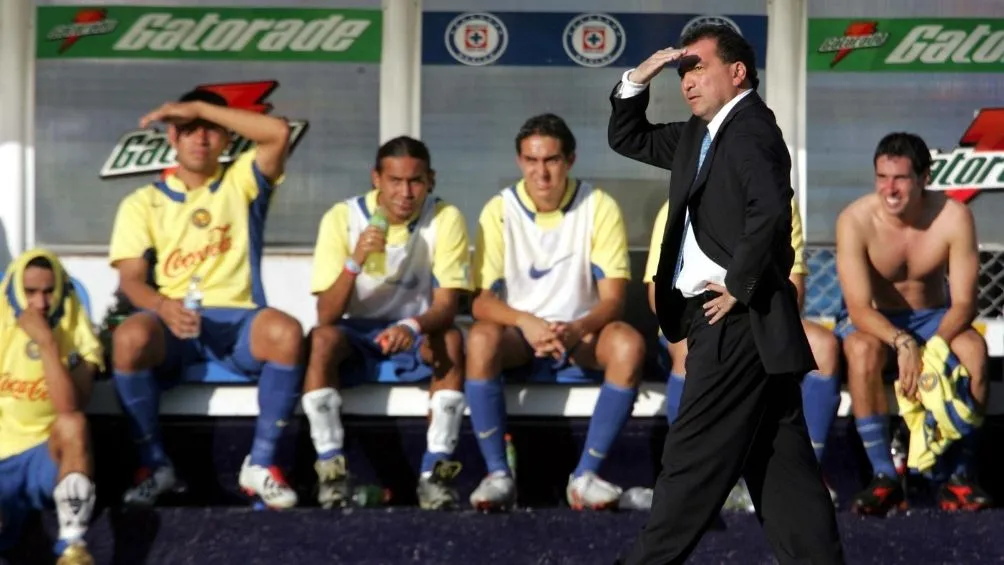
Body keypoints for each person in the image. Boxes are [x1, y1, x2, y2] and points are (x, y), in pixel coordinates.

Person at [609, 24, 844, 564]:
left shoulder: (752, 130)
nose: (687, 81)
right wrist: (636, 80)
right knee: (784, 472)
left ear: (736, 72)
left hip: (734, 319)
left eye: (698, 67)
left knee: (690, 464)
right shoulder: (700, 132)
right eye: (683, 72)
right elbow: (629, 138)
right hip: (735, 322)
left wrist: (739, 284)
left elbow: (770, 209)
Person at [108, 89, 305, 509]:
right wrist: (162, 306)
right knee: (128, 339)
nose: (200, 138)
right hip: (173, 322)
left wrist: (197, 108)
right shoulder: (142, 202)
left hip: (237, 322)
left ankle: (262, 465)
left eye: (210, 130)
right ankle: (153, 464)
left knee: (287, 333)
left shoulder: (241, 182)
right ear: (171, 138)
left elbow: (276, 133)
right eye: (188, 130)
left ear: (226, 137)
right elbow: (131, 281)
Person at [465, 113, 645, 512]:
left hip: (581, 333)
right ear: (519, 162)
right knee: (479, 338)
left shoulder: (598, 206)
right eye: (531, 160)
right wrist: (527, 323)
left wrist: (574, 327)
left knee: (628, 345)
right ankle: (498, 475)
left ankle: (585, 476)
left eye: (551, 160)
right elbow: (480, 302)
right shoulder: (499, 209)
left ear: (570, 160)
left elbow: (613, 300)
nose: (541, 172)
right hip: (520, 337)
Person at [303, 136, 471, 510]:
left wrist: (411, 326)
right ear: (376, 179)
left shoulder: (445, 217)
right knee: (320, 340)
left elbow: (447, 306)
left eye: (415, 181)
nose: (406, 192)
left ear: (431, 180)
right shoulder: (343, 217)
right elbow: (326, 315)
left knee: (452, 341)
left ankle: (435, 473)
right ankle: (331, 469)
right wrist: (355, 260)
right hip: (357, 332)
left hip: (416, 331)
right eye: (395, 180)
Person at [644, 197, 842, 505]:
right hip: (694, 321)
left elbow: (794, 291)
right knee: (688, 356)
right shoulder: (678, 202)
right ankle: (691, 478)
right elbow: (658, 295)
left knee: (824, 347)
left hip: (759, 317)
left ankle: (806, 473)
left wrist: (742, 302)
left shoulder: (778, 203)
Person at [835, 132, 991, 515]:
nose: (890, 188)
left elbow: (966, 302)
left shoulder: (954, 216)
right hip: (877, 319)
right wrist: (904, 343)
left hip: (936, 317)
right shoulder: (854, 219)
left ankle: (958, 477)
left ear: (924, 178)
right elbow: (857, 308)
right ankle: (884, 477)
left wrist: (934, 347)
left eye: (900, 178)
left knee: (974, 350)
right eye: (882, 177)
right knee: (860, 349)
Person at [0, 250, 103, 564]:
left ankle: (72, 547)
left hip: (46, 459)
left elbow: (69, 406)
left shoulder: (77, 334)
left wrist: (47, 343)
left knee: (74, 424)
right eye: (31, 292)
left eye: (48, 291)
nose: (40, 304)